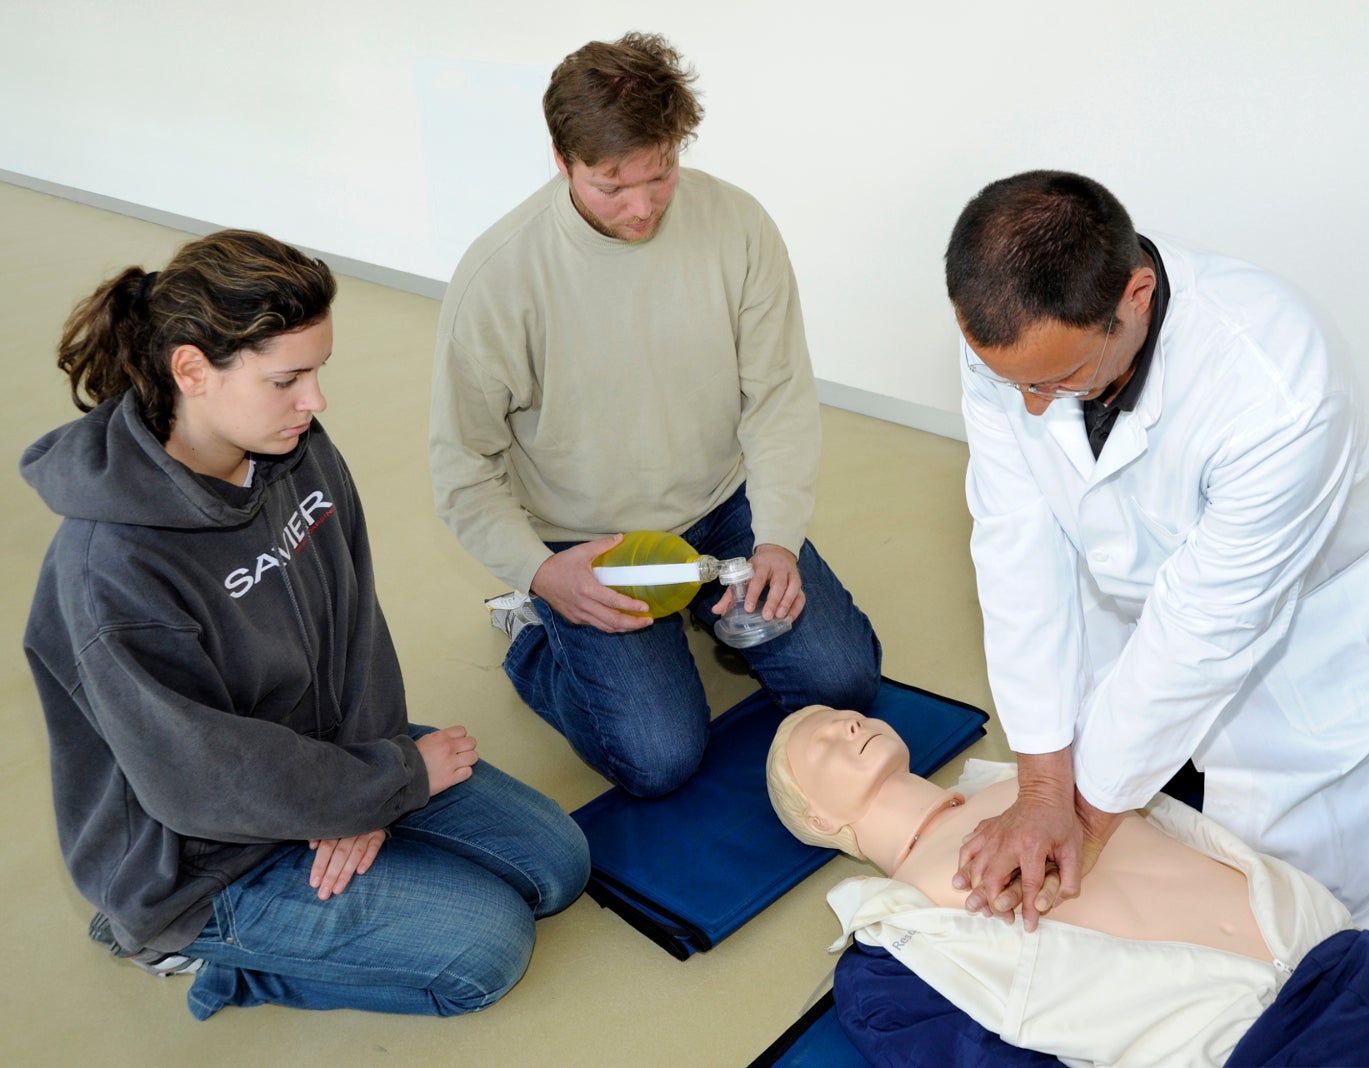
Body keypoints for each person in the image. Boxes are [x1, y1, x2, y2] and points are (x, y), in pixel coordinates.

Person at [21, 230, 590, 1020]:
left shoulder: (295, 449)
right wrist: (373, 791)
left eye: (317, 371)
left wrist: (371, 785)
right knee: (484, 952)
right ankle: (195, 952)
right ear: (192, 370)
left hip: (330, 764)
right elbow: (199, 776)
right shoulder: (109, 569)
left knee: (558, 864)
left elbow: (354, 618)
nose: (315, 401)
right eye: (288, 378)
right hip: (203, 859)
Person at [943, 170, 1369, 934]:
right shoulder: (1015, 339)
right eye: (1011, 381)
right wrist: (1045, 789)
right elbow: (1017, 543)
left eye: (1060, 378)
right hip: (1136, 581)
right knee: (1112, 746)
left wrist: (1079, 825)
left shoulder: (1278, 386)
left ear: (1137, 296)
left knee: (1293, 910)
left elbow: (1204, 626)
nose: (1029, 403)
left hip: (1290, 613)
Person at [429, 32, 881, 798]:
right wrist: (543, 572)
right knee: (661, 758)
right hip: (588, 542)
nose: (642, 207)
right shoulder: (499, 277)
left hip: (722, 510)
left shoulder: (738, 226)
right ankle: (537, 636)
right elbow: (462, 467)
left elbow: (777, 398)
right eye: (613, 186)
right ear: (561, 158)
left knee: (846, 681)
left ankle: (707, 599)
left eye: (661, 175)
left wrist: (775, 538)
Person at [766, 705, 1369, 1067]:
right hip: (1254, 1044)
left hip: (1357, 961)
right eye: (820, 742)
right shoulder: (894, 949)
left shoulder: (1033, 774)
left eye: (842, 714)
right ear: (819, 817)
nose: (846, 723)